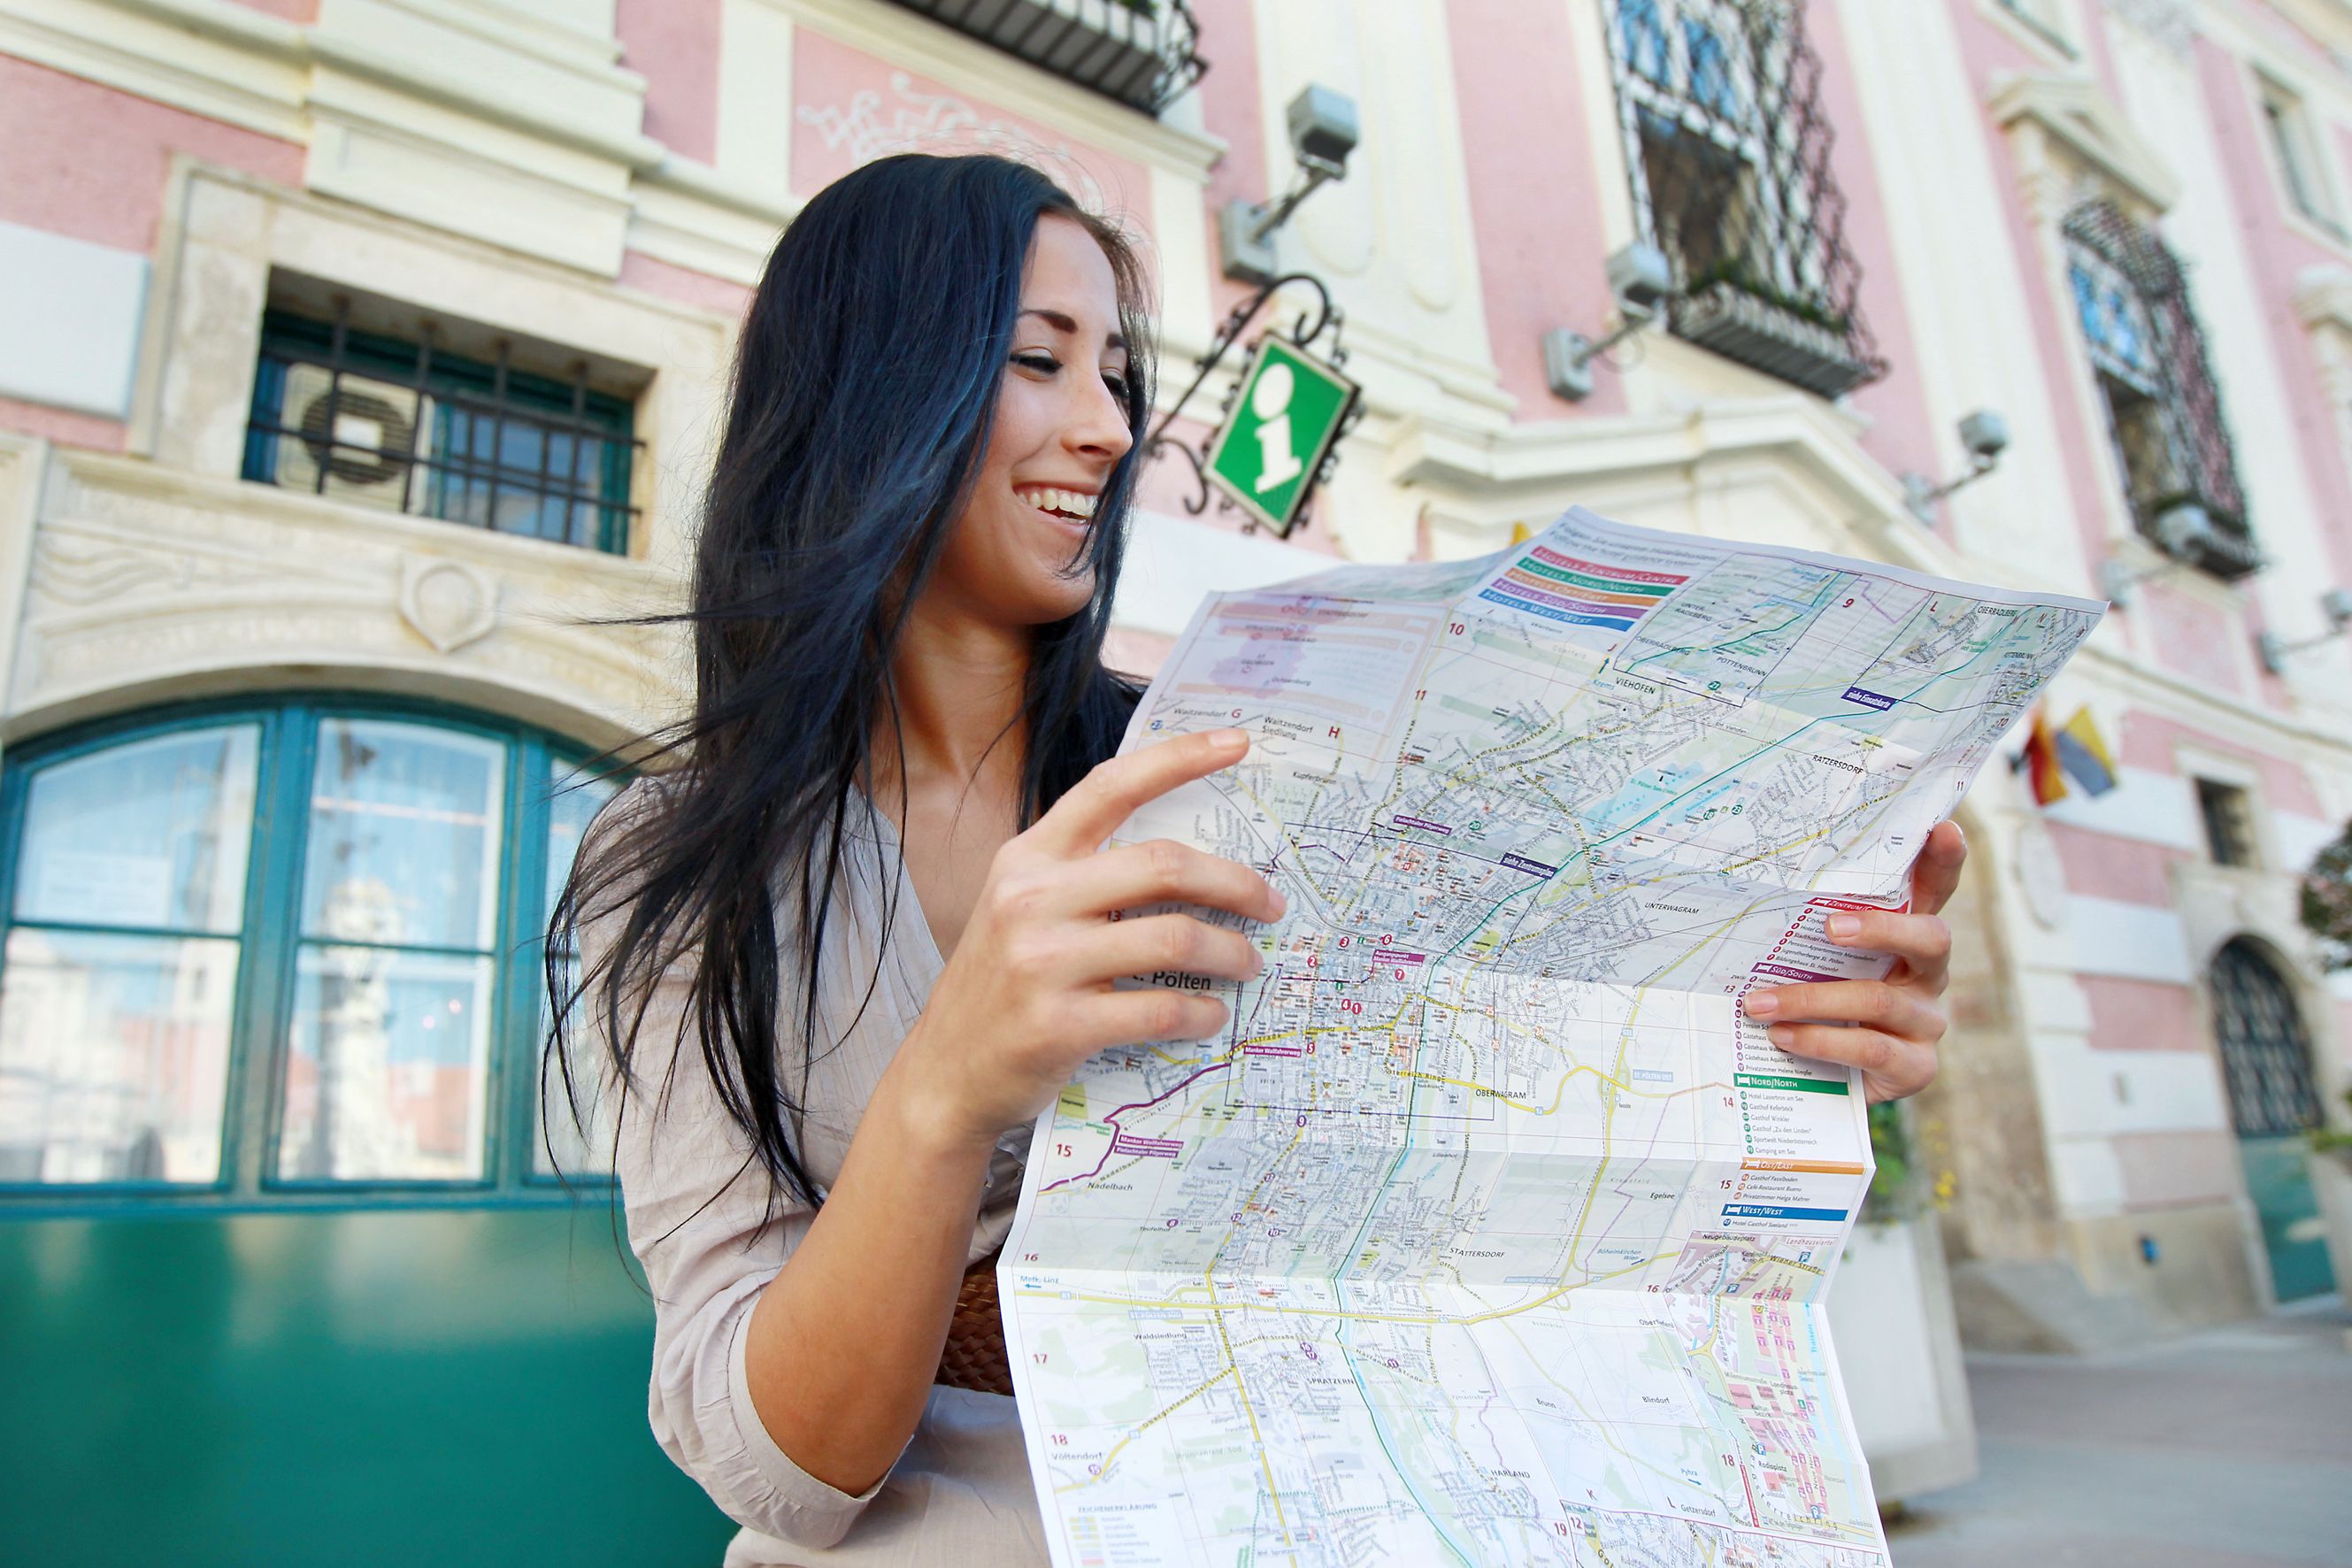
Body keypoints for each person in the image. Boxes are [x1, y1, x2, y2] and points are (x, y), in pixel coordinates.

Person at [552, 152, 1969, 1567]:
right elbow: (780, 1471)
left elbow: (1486, 1146)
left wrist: (1768, 1015)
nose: (1106, 429)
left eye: (1116, 373)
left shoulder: (1243, 775)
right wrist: (943, 1091)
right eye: (1038, 360)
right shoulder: (679, 869)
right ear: (871, 386)